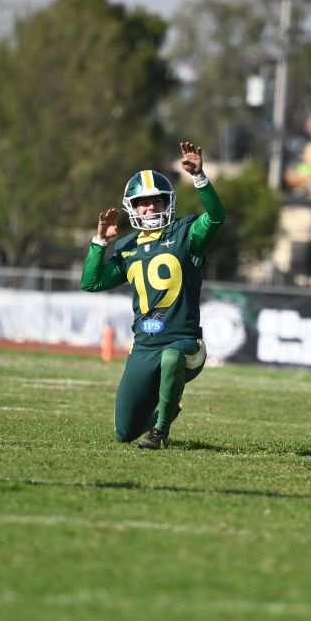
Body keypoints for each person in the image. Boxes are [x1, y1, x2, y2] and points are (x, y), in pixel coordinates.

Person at [80, 141, 225, 449]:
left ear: (167, 202)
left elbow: (215, 218)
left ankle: (160, 432)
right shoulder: (127, 246)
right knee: (124, 431)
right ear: (132, 207)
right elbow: (91, 283)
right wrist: (99, 243)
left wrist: (200, 178)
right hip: (144, 346)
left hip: (185, 344)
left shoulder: (186, 233)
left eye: (156, 200)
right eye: (142, 202)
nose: (150, 207)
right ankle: (168, 408)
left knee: (172, 357)